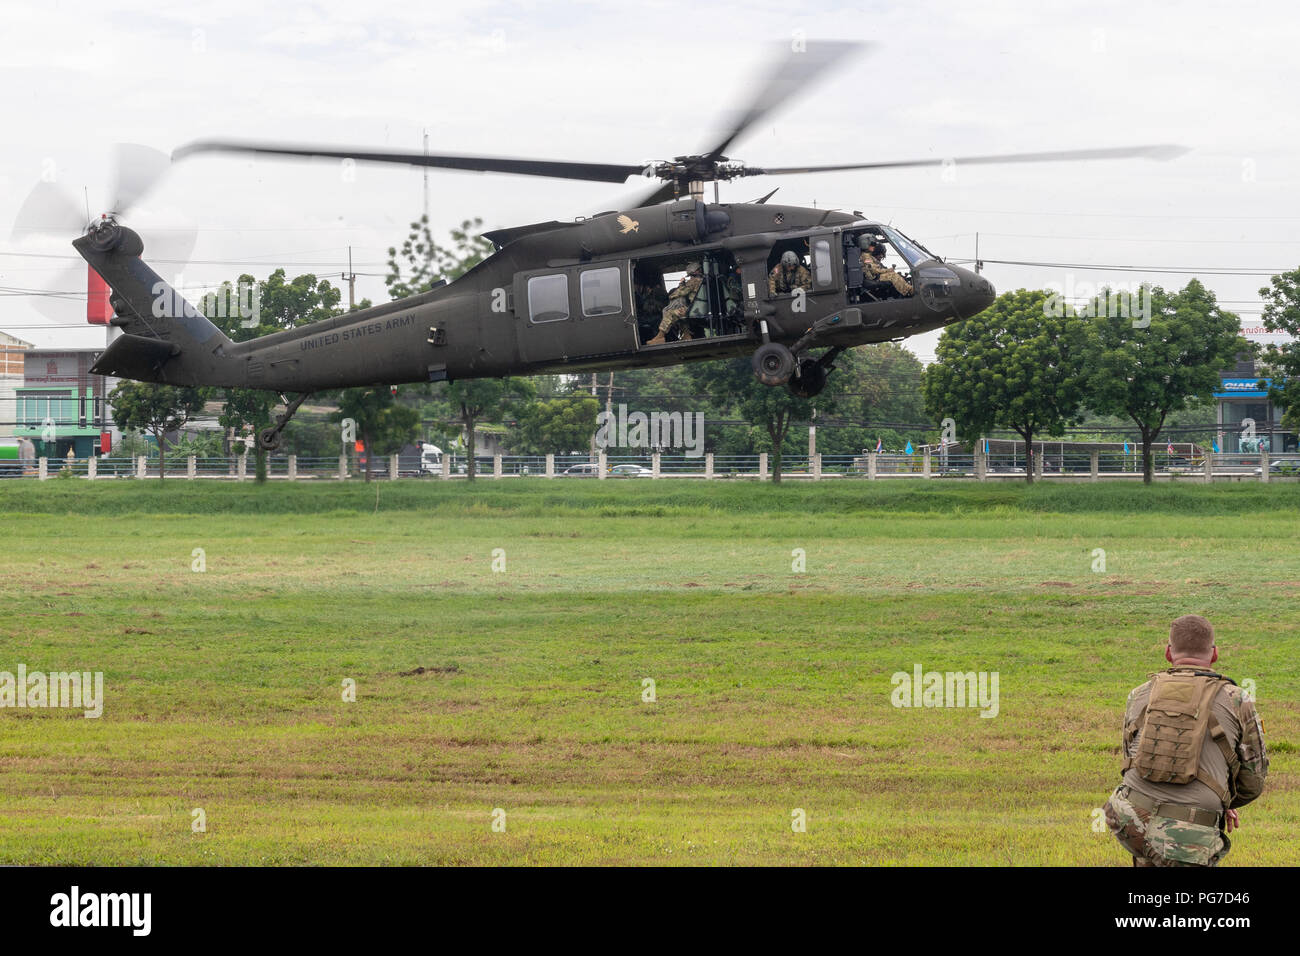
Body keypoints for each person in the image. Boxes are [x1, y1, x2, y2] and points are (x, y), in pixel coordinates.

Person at [1103, 614, 1268, 867]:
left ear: (1168, 653)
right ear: (1214, 654)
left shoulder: (1139, 694)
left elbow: (1130, 759)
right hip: (1188, 832)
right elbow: (1253, 780)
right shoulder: (1237, 699)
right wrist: (1221, 798)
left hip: (1127, 818)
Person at [646, 262, 704, 345]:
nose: (690, 277)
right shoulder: (702, 280)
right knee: (680, 310)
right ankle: (687, 335)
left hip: (695, 310)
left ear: (694, 272)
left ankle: (660, 336)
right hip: (698, 308)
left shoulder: (694, 281)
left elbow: (677, 293)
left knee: (669, 313)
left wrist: (681, 284)